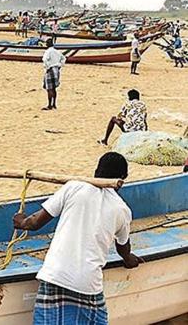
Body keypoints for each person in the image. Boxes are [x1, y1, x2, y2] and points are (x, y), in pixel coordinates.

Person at [13, 152, 143, 325]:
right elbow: (123, 247)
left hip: (55, 274)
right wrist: (129, 259)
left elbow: (35, 223)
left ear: (96, 171)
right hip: (87, 283)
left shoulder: (74, 187)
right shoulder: (122, 210)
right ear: (123, 178)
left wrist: (21, 221)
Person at [41, 38, 66, 110]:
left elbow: (45, 60)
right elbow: (63, 58)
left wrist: (47, 67)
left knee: (49, 88)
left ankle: (49, 105)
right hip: (56, 69)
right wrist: (60, 65)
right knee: (54, 88)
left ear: (47, 44)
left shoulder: (48, 52)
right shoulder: (57, 51)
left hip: (50, 69)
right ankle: (54, 104)